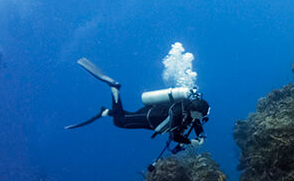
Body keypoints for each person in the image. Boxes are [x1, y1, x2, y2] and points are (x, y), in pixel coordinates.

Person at [65, 58, 209, 155]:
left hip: (153, 115)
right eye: (202, 115)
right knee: (120, 122)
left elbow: (196, 122)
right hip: (150, 117)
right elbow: (174, 135)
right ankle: (114, 88)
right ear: (196, 111)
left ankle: (107, 112)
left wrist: (200, 135)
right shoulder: (178, 113)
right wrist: (190, 141)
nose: (202, 118)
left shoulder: (190, 110)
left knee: (126, 116)